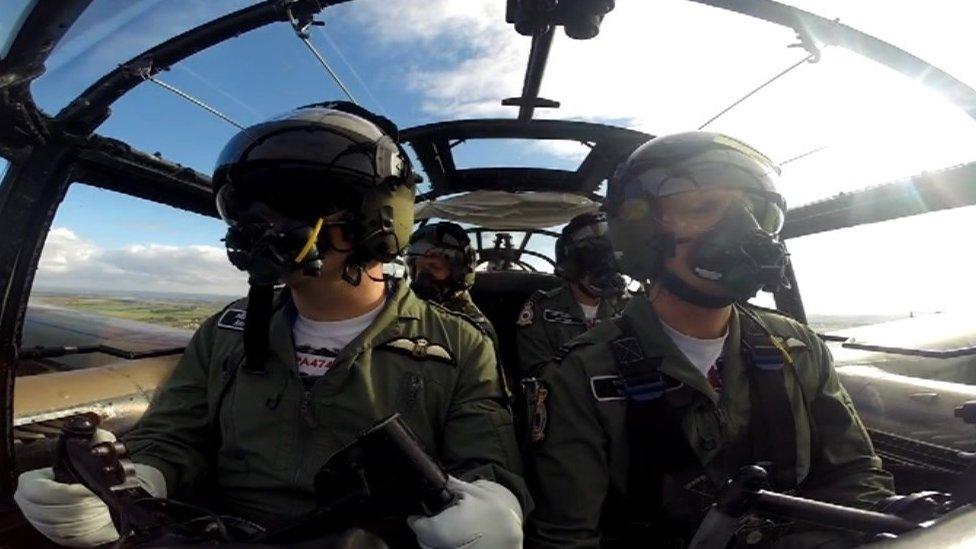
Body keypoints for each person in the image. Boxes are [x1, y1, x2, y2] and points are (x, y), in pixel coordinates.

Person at [14, 103, 526, 548]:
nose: (262, 221)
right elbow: (174, 436)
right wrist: (130, 485)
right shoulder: (227, 331)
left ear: (377, 218)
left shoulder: (459, 343)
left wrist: (492, 505)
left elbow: (486, 461)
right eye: (249, 204)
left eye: (298, 198)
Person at [525, 131, 894, 548]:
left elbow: (856, 477)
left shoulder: (798, 347)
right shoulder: (580, 375)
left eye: (754, 211)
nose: (744, 229)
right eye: (702, 207)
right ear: (642, 231)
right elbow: (568, 540)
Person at [516, 212, 628, 379]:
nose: (605, 277)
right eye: (594, 268)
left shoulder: (629, 307)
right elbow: (539, 373)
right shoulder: (541, 310)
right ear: (572, 270)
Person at [406, 221, 498, 347]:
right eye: (418, 267)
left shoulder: (473, 332)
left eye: (435, 266)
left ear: (459, 273)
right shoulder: (407, 312)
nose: (422, 277)